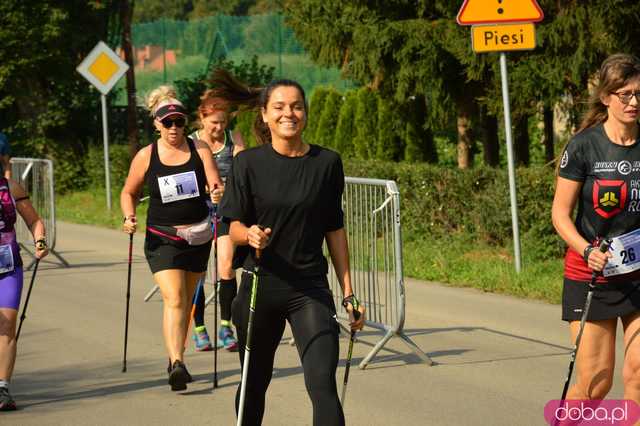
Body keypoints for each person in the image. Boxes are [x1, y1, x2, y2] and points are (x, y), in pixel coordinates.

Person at [214, 69, 365, 426]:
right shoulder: (248, 163)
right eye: (279, 107)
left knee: (322, 383)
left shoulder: (327, 163)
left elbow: (335, 229)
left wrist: (348, 292)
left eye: (297, 107)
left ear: (305, 113)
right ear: (264, 114)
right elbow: (230, 225)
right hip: (260, 286)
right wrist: (248, 235)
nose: (289, 114)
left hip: (309, 288)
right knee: (254, 383)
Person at [120, 86, 223, 391]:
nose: (174, 128)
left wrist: (217, 191)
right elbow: (129, 192)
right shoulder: (146, 155)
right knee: (174, 297)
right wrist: (128, 216)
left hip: (199, 235)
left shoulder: (200, 148)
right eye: (167, 123)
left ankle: (176, 358)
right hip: (162, 237)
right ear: (156, 124)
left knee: (187, 300)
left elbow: (214, 182)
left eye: (178, 122)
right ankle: (177, 362)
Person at [552, 53, 640, 403]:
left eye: (639, 93)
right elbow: (560, 214)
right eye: (625, 94)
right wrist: (587, 250)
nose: (635, 102)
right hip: (592, 275)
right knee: (595, 385)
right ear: (606, 97)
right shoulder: (584, 146)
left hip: (637, 272)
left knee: (638, 375)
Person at [189, 91, 245, 352]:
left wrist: (229, 189)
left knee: (226, 268)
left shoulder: (234, 139)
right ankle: (199, 328)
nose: (219, 127)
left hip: (227, 212)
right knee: (198, 273)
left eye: (223, 122)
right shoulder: (191, 143)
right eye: (214, 122)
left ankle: (226, 326)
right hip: (196, 213)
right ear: (202, 118)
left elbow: (245, 173)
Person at [0, 177, 48, 410]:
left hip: (7, 266)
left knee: (7, 325)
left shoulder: (9, 187)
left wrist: (40, 240)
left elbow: (35, 221)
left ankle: (3, 388)